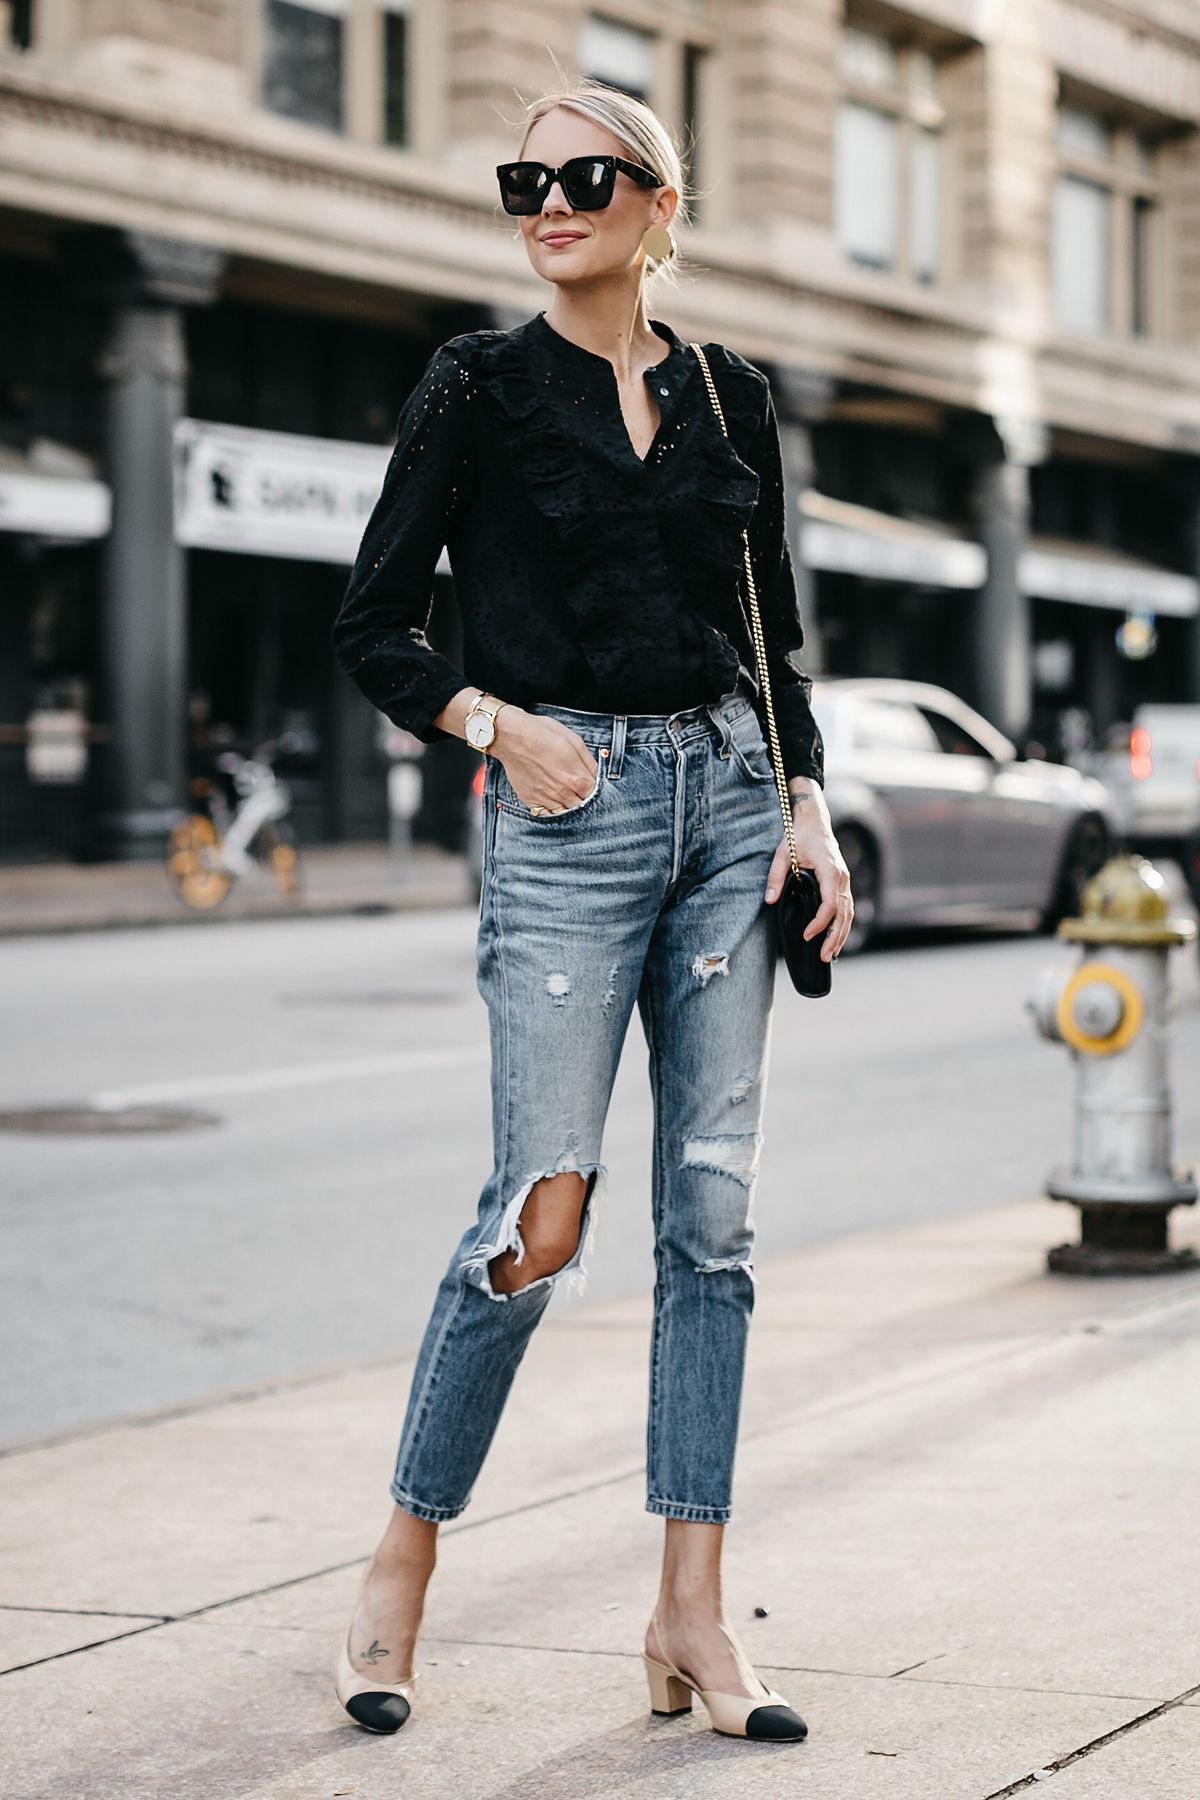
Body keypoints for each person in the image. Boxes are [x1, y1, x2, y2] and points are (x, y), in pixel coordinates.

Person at [330, 78, 853, 1743]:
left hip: (729, 812)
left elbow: (769, 641)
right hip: (564, 816)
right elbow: (374, 626)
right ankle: (400, 1564)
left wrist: (812, 813)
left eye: (582, 175)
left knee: (713, 1227)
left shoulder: (732, 395)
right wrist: (497, 722)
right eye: (523, 180)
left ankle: (691, 1609)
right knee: (534, 1221)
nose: (547, 202)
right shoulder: (474, 387)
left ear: (658, 201)